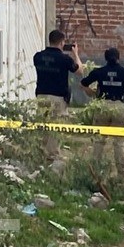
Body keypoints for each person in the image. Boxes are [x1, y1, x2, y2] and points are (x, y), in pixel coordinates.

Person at [81, 47, 124, 177]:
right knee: (119, 143)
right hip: (120, 107)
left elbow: (83, 83)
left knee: (99, 141)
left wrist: (92, 94)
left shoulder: (99, 72)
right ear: (119, 57)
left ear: (105, 58)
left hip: (103, 106)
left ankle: (94, 173)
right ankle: (122, 175)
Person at [33, 30, 82, 158]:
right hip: (58, 97)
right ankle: (53, 154)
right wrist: (75, 54)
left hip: (41, 95)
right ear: (61, 42)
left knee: (42, 124)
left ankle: (40, 152)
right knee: (56, 126)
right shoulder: (64, 59)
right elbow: (79, 71)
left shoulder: (37, 56)